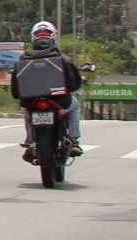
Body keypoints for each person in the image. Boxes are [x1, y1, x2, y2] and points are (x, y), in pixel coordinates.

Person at [11, 20, 83, 160]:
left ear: (33, 38)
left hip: (31, 101)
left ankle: (30, 140)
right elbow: (74, 85)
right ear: (53, 37)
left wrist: (23, 101)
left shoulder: (23, 59)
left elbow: (15, 89)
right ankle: (74, 140)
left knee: (27, 114)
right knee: (75, 106)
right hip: (60, 101)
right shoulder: (62, 59)